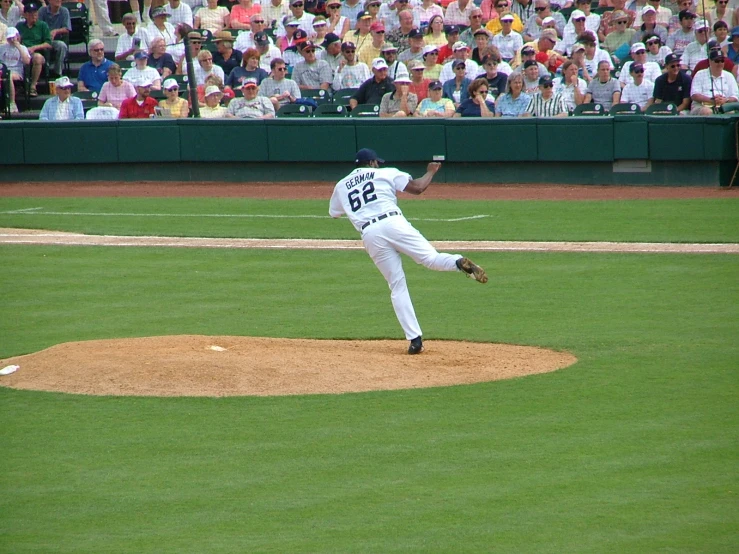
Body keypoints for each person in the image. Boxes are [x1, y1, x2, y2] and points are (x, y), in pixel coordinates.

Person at [329, 148, 488, 355]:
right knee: (431, 259)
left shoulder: (341, 185)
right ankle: (457, 262)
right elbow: (418, 187)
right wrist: (430, 171)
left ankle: (415, 340)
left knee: (397, 285)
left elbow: (334, 213)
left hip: (370, 233)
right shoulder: (385, 173)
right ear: (371, 163)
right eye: (376, 162)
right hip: (393, 222)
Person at [16, 2, 51, 97]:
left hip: (36, 52)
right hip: (22, 52)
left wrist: (34, 47)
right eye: (31, 13)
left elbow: (48, 43)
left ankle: (33, 86)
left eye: (35, 13)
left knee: (37, 58)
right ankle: (19, 85)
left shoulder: (42, 25)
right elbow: (15, 40)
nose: (34, 16)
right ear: (25, 15)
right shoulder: (19, 26)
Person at [689, 49, 738, 114]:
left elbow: (735, 96)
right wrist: (712, 100)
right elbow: (694, 95)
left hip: (723, 105)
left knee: (730, 113)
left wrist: (725, 100)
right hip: (702, 105)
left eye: (722, 61)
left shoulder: (729, 75)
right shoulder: (700, 74)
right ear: (710, 61)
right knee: (707, 111)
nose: (720, 63)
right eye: (717, 61)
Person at [0, 26, 29, 113]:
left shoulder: (23, 48)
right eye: (9, 38)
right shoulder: (2, 48)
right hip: (3, 70)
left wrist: (18, 46)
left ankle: (12, 103)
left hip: (16, 72)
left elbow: (27, 61)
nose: (11, 40)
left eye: (13, 37)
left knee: (9, 75)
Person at [37, 0, 69, 77]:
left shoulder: (64, 11)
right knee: (45, 47)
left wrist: (56, 31)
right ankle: (44, 71)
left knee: (62, 46)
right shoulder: (42, 10)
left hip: (57, 40)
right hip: (43, 39)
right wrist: (47, 34)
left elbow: (67, 29)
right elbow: (37, 26)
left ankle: (57, 72)